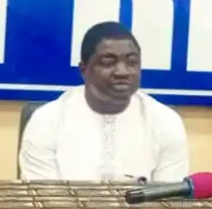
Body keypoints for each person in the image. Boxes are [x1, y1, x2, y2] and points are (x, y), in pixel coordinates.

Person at [20, 21, 189, 182]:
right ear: (84, 70)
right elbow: (43, 196)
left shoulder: (165, 122)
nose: (122, 72)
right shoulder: (47, 121)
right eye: (108, 63)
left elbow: (169, 195)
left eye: (132, 62)